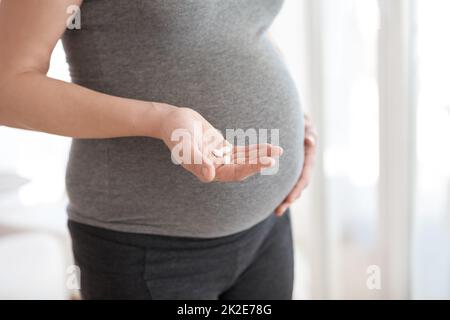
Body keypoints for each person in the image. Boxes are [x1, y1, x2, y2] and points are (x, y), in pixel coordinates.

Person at [0, 0, 317, 299]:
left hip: (269, 225)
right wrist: (159, 119)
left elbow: (241, 24)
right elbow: (8, 85)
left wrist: (293, 120)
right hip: (148, 248)